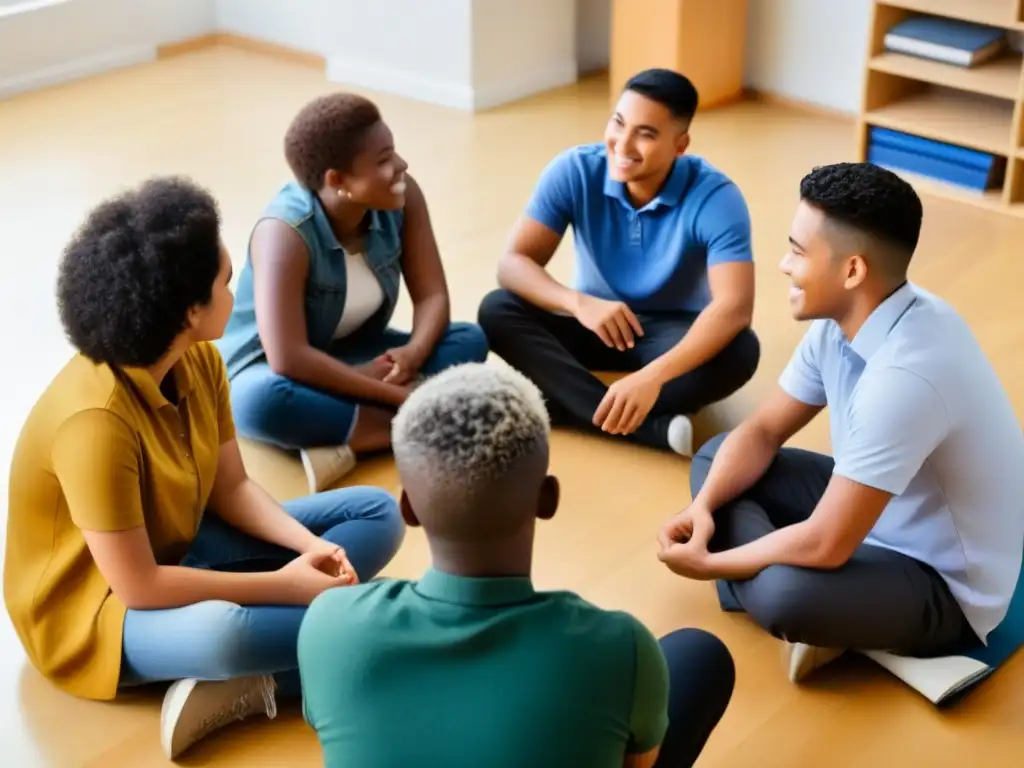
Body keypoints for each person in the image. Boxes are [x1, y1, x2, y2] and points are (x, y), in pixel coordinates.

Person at [2, 177, 406, 761]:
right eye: (225, 280)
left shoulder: (199, 359)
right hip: (100, 612)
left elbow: (233, 487)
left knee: (375, 514)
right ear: (190, 311)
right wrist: (282, 584)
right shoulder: (94, 421)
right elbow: (137, 586)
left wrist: (304, 548)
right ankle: (306, 651)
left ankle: (252, 676)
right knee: (232, 633)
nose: (234, 285)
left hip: (178, 546)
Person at [656, 161, 1024, 683]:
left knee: (787, 595)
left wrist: (710, 563)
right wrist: (703, 510)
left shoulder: (907, 375)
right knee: (718, 458)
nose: (783, 265)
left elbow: (827, 543)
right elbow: (762, 431)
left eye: (798, 252)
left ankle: (833, 610)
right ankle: (828, 600)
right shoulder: (845, 320)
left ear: (852, 271)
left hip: (942, 582)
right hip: (876, 513)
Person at [297, 362, 736, 768]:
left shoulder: (328, 624)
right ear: (548, 499)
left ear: (408, 509)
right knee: (700, 656)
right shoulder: (620, 647)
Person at [477, 68, 760, 457]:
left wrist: (652, 377)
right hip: (592, 321)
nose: (622, 144)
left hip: (669, 334)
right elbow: (513, 263)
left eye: (646, 133)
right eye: (618, 122)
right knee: (497, 309)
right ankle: (650, 429)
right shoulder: (575, 170)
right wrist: (578, 303)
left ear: (681, 145)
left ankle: (565, 405)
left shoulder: (717, 198)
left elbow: (734, 307)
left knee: (740, 350)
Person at [216, 92, 489, 494]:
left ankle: (347, 443)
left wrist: (412, 354)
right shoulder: (284, 233)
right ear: (337, 181)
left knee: (469, 339)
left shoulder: (402, 196)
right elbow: (287, 357)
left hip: (352, 353)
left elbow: (432, 298)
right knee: (262, 404)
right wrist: (397, 396)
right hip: (274, 369)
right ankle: (427, 423)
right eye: (383, 161)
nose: (401, 166)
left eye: (393, 152)